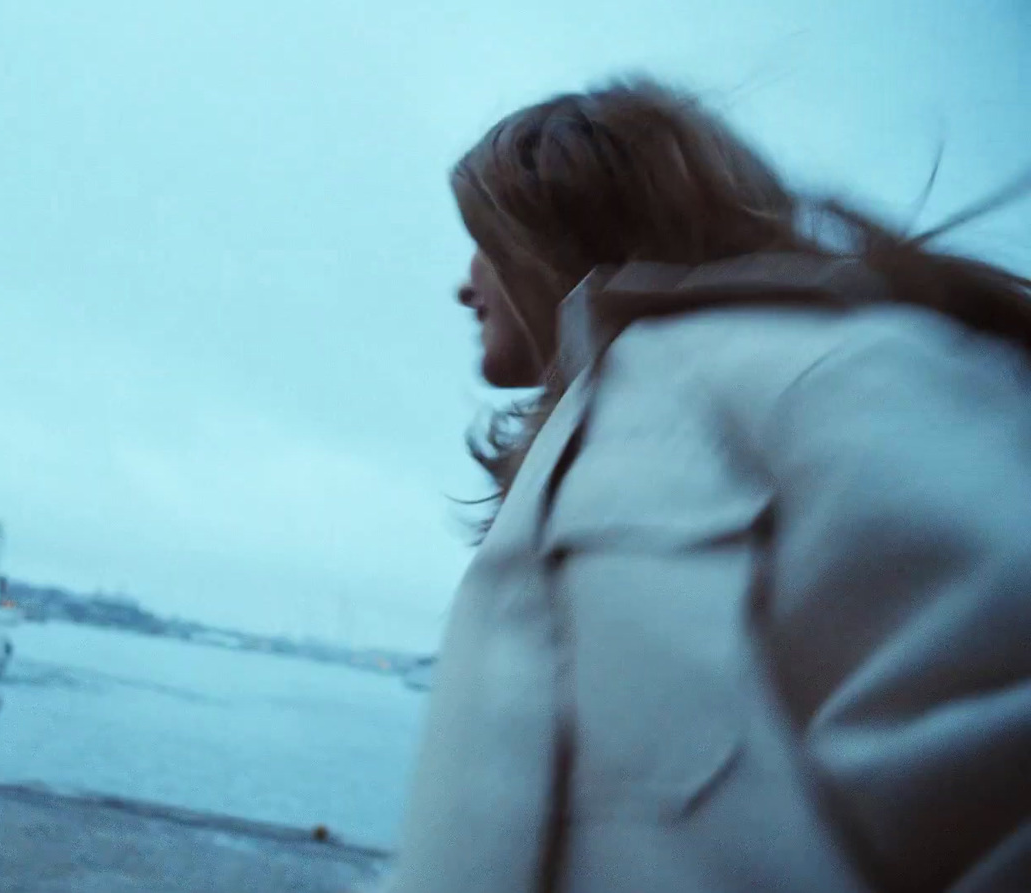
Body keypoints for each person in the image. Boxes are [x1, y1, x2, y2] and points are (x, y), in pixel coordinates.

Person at [380, 79, 1030, 893]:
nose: (462, 284)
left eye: (479, 237)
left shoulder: (816, 370)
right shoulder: (590, 440)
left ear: (555, 226)